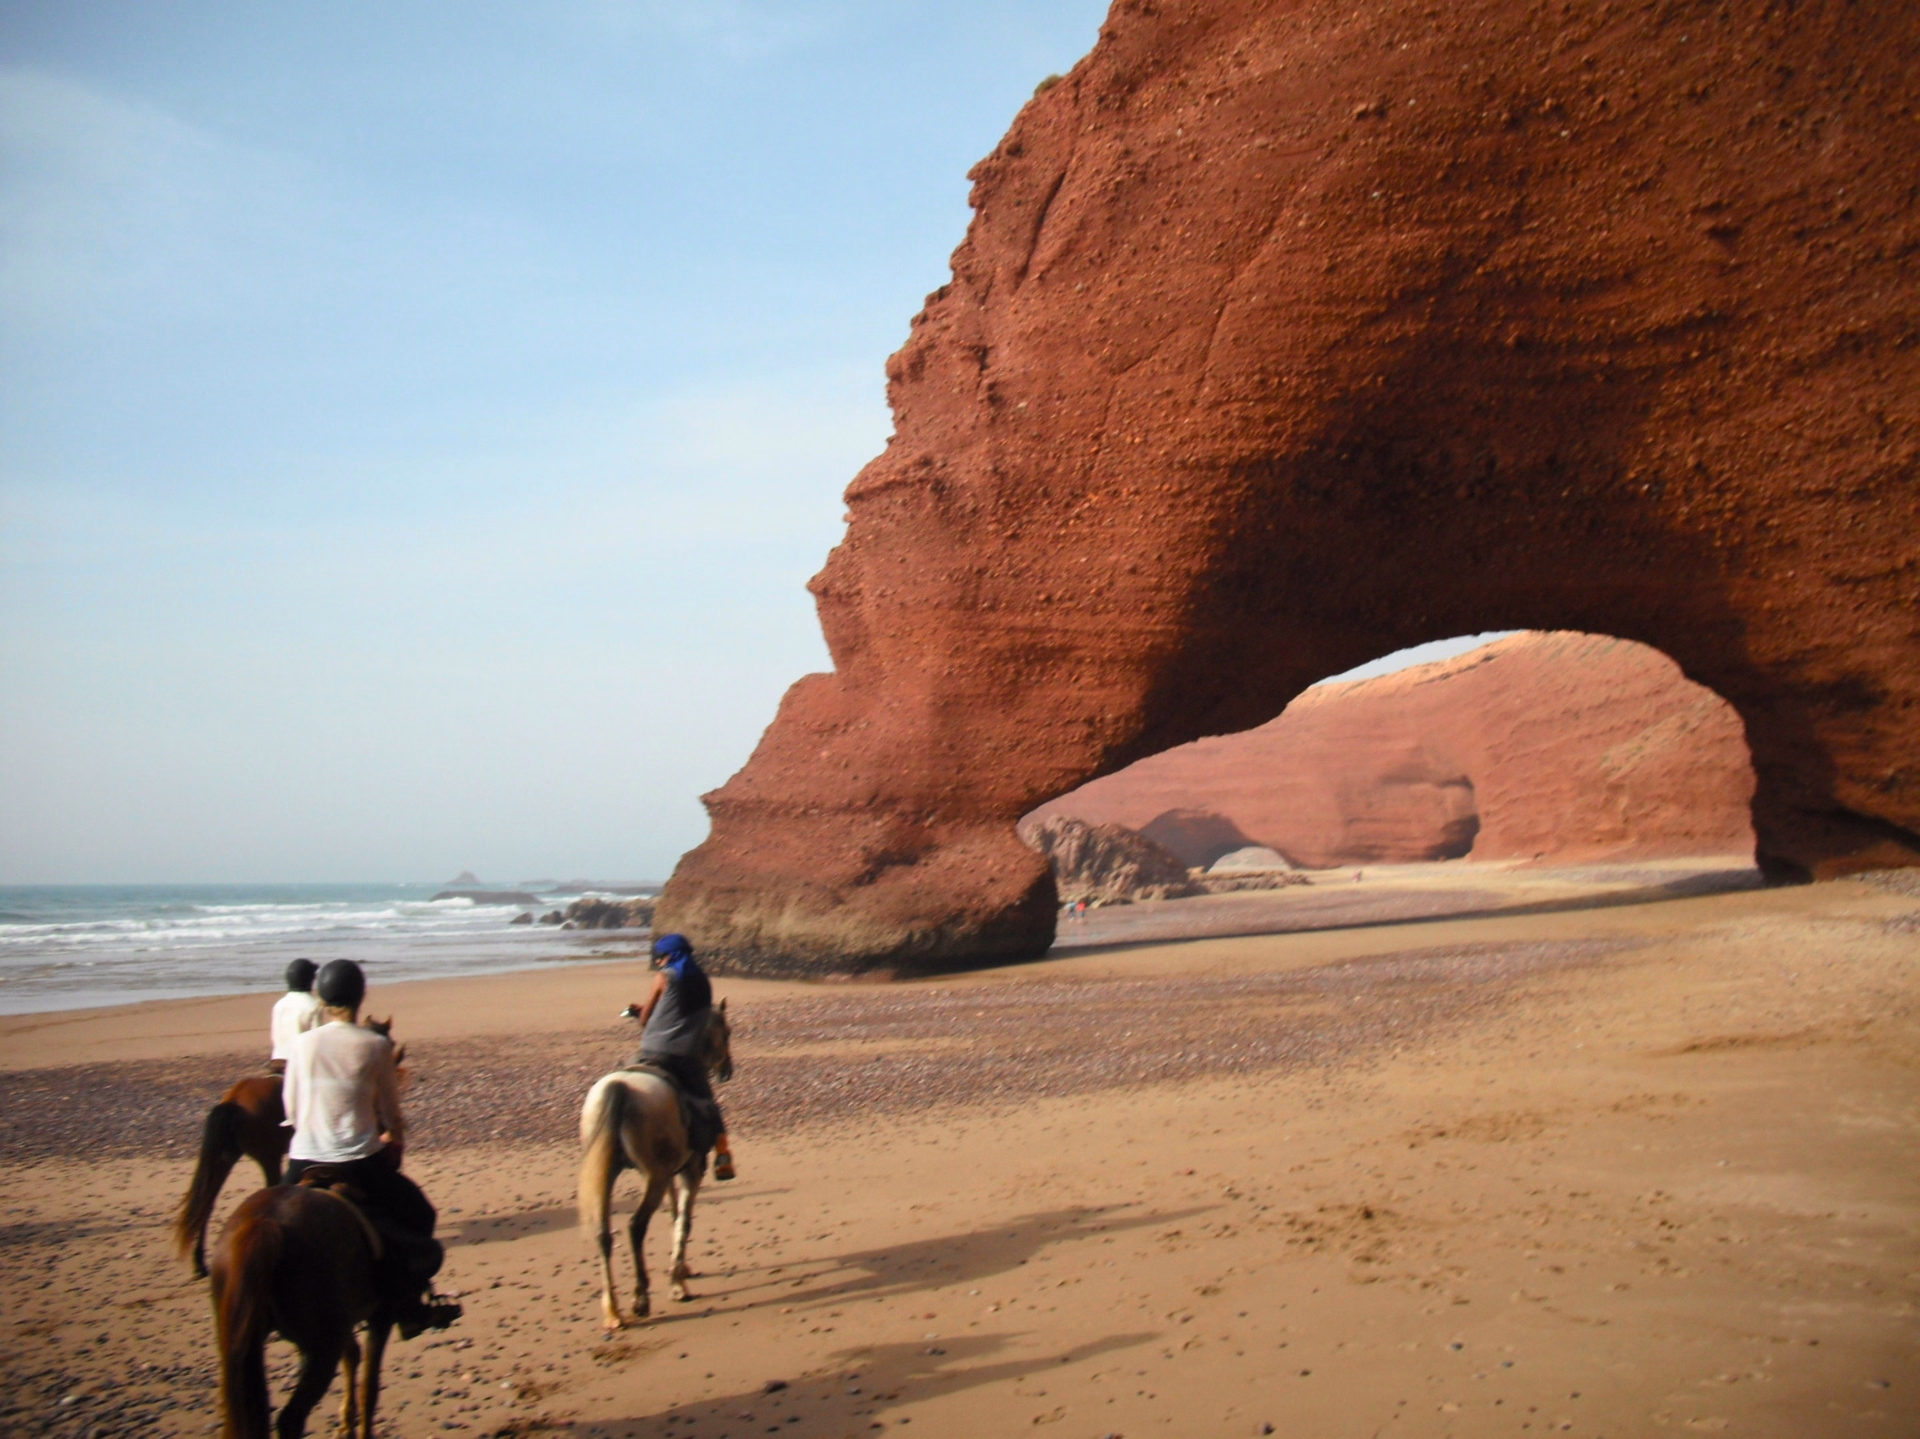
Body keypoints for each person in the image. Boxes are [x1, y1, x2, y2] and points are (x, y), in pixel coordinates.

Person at [280, 958, 460, 1337]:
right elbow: (391, 1115)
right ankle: (410, 1309)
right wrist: (393, 1140)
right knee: (420, 1216)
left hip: (302, 1160)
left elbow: (292, 1110)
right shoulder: (376, 1045)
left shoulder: (301, 1045)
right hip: (358, 1161)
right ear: (361, 997)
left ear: (321, 997)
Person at [630, 933, 735, 1180]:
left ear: (669, 956)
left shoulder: (664, 977)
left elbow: (646, 1019)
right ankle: (723, 1155)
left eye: (660, 957)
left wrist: (640, 1013)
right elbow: (694, 1017)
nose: (658, 962)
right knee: (707, 1102)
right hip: (684, 1056)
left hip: (650, 1051)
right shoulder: (702, 981)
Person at [267, 958, 325, 1075]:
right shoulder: (314, 1005)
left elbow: (275, 1037)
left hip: (277, 1058)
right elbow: (317, 1042)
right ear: (310, 980)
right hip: (300, 1062)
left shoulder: (279, 1005)